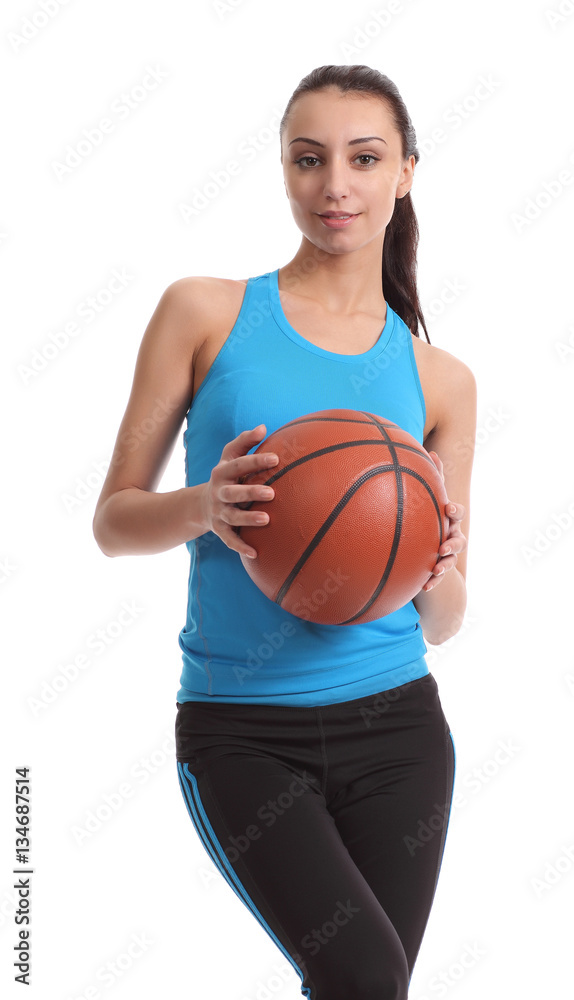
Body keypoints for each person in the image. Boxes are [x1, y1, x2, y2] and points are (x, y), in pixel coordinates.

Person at [93, 63, 476, 1000]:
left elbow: (447, 620)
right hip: (240, 732)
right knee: (359, 975)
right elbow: (112, 522)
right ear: (283, 170)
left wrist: (432, 559)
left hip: (399, 730)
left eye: (363, 158)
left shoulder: (441, 381)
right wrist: (206, 507)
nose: (333, 185)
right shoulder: (205, 311)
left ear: (406, 174)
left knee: (366, 990)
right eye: (307, 160)